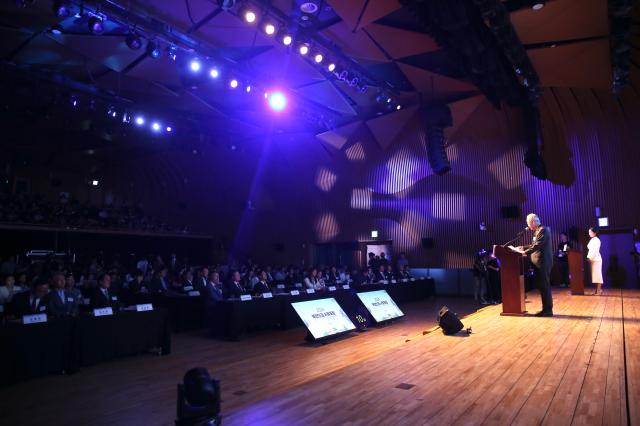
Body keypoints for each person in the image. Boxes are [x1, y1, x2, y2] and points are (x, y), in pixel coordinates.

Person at [514, 213, 554, 316]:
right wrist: (523, 247)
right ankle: (546, 309)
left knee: (544, 286)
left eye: (529, 224)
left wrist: (524, 252)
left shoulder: (543, 230)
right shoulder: (538, 231)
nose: (529, 226)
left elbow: (537, 245)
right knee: (542, 286)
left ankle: (548, 310)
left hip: (543, 263)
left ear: (532, 222)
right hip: (539, 263)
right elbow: (533, 245)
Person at [587, 227, 603, 295]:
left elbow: (594, 250)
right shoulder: (592, 240)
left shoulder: (597, 240)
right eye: (589, 232)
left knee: (598, 275)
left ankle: (599, 290)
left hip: (596, 259)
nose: (589, 233)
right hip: (593, 259)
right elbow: (590, 250)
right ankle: (598, 290)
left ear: (594, 233)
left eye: (590, 232)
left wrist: (590, 257)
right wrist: (589, 257)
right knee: (595, 275)